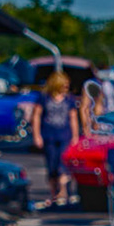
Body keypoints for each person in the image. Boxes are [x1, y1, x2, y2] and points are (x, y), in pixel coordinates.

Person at [26, 71, 81, 208]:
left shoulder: (69, 100)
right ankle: (54, 194)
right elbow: (36, 116)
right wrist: (36, 135)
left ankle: (63, 193)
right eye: (64, 85)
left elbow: (73, 118)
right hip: (49, 136)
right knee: (52, 166)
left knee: (63, 165)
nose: (66, 88)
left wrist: (75, 136)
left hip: (65, 136)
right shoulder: (44, 98)